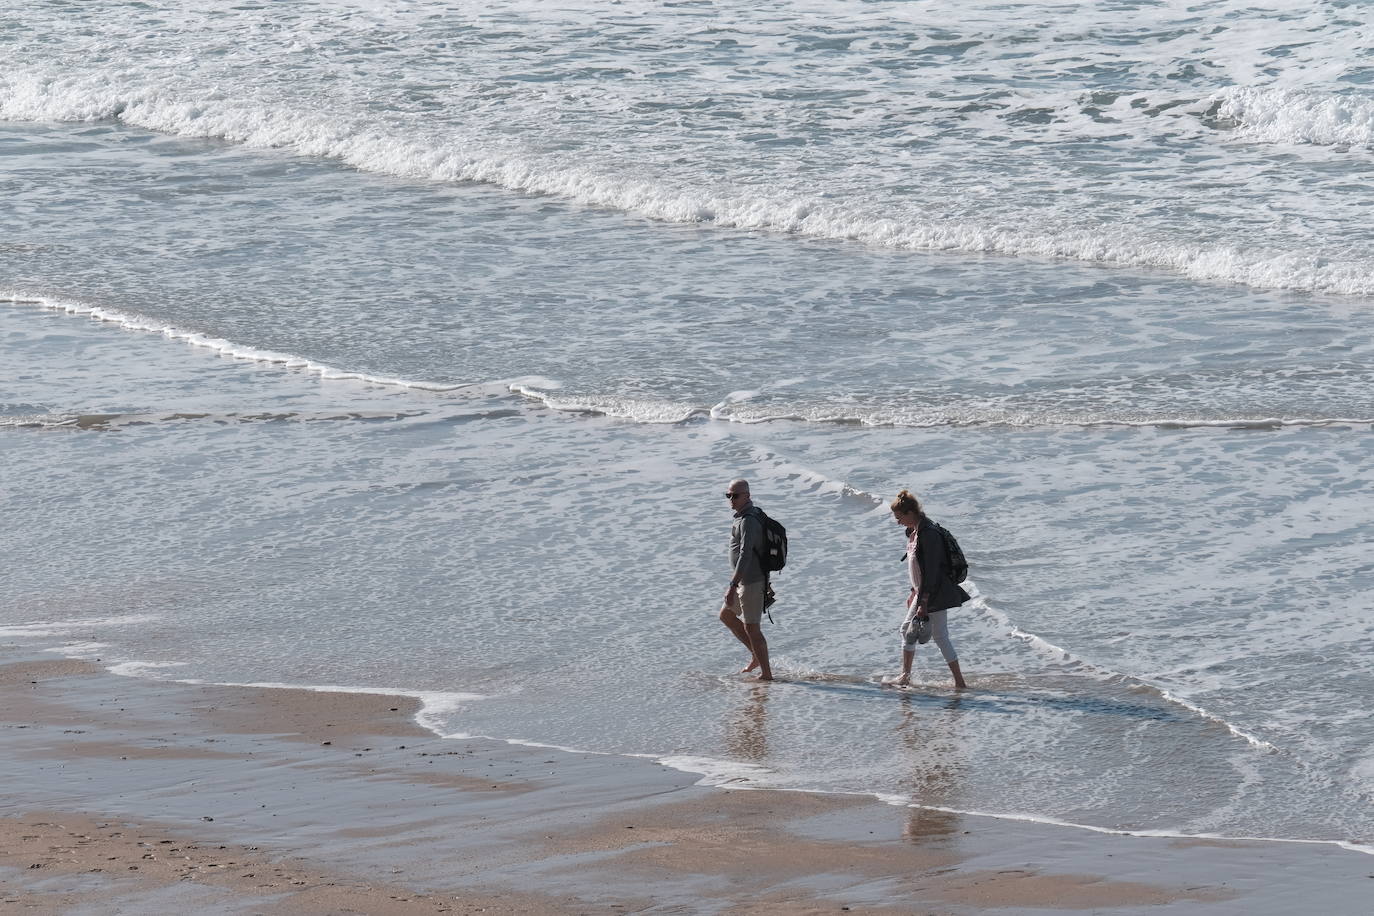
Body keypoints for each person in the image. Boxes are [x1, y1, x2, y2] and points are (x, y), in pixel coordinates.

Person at [890, 489, 968, 689]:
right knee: (929, 634)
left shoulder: (929, 533)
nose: (898, 522)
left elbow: (932, 571)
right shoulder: (915, 531)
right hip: (924, 591)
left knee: (931, 634)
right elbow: (918, 567)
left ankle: (908, 677)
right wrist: (913, 591)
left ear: (910, 513)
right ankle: (956, 682)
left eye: (899, 518)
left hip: (934, 592)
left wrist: (923, 601)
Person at [719, 478, 772, 681]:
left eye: (735, 495)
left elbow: (746, 554)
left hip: (752, 581)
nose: (731, 499)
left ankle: (767, 675)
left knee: (752, 627)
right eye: (728, 495)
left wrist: (732, 585)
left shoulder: (749, 519)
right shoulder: (743, 516)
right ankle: (756, 657)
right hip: (744, 581)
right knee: (726, 616)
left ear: (747, 496)